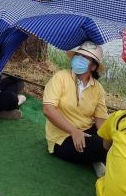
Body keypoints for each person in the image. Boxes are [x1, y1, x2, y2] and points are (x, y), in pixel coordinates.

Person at [43, 41, 108, 176]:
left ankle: (96, 156)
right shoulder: (61, 77)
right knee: (104, 146)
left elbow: (100, 120)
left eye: (85, 58)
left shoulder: (98, 88)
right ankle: (98, 157)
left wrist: (109, 137)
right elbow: (48, 109)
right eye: (78, 55)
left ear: (94, 66)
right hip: (62, 137)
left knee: (114, 141)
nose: (79, 59)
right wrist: (74, 131)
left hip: (87, 130)